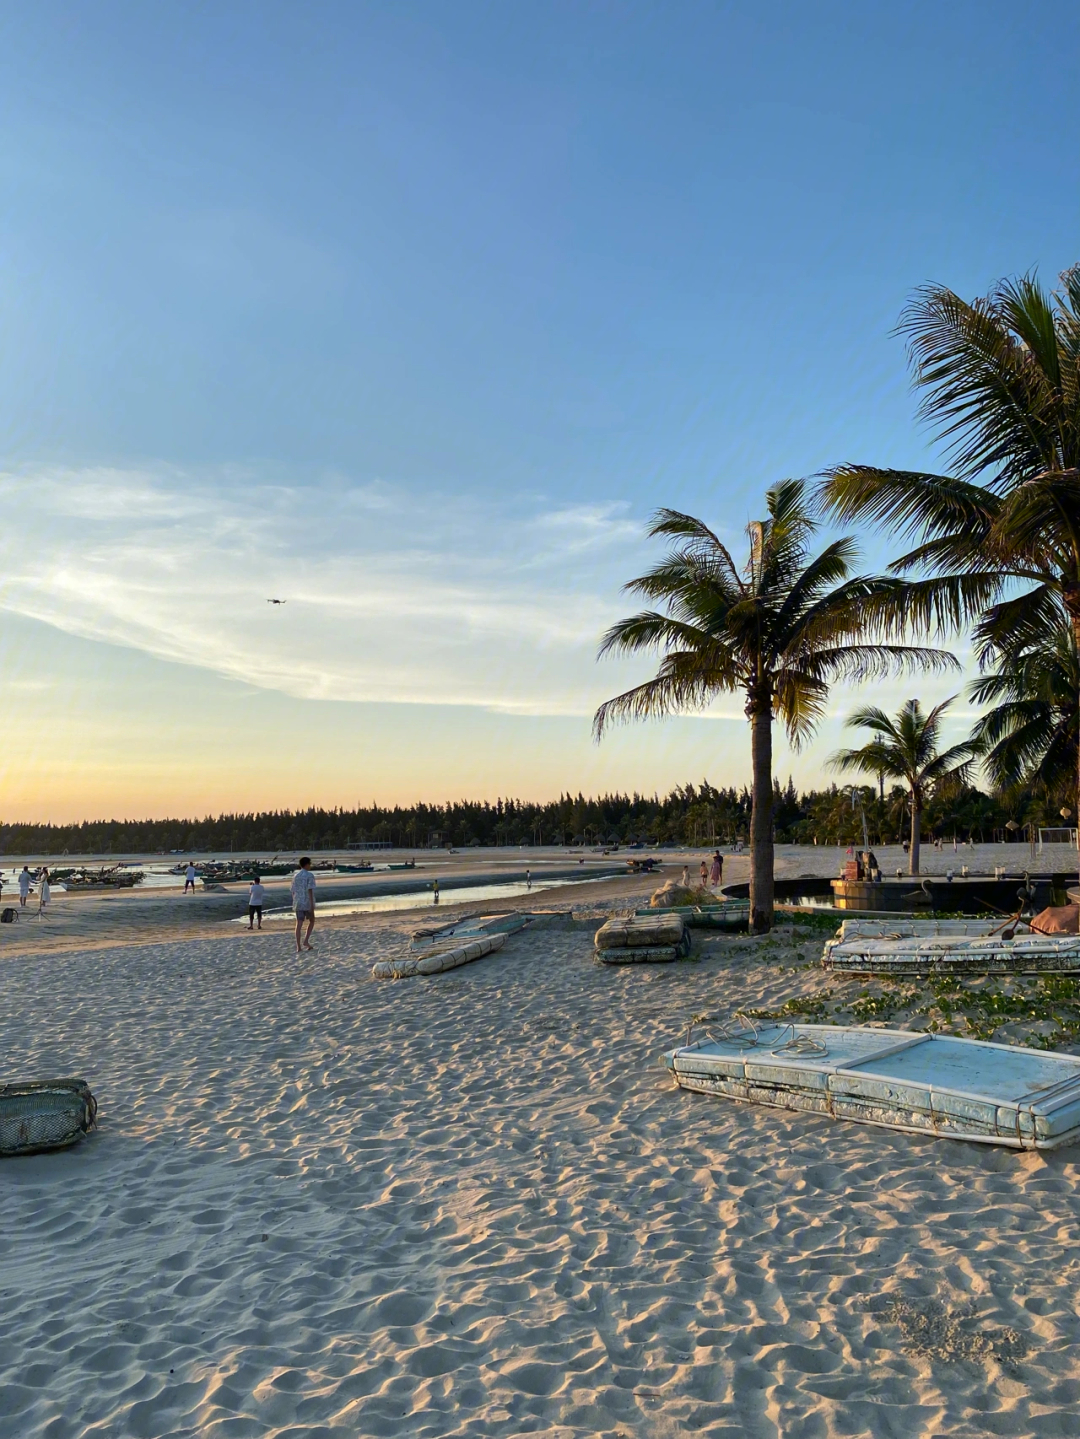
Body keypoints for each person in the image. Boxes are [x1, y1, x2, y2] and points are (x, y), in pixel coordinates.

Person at [291, 856, 316, 953]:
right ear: (307, 864)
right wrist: (311, 905)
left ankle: (298, 946)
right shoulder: (309, 875)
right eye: (310, 864)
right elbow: (310, 890)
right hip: (306, 902)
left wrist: (294, 901)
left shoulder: (295, 876)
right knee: (312, 921)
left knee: (299, 923)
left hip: (298, 902)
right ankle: (305, 941)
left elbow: (293, 891)